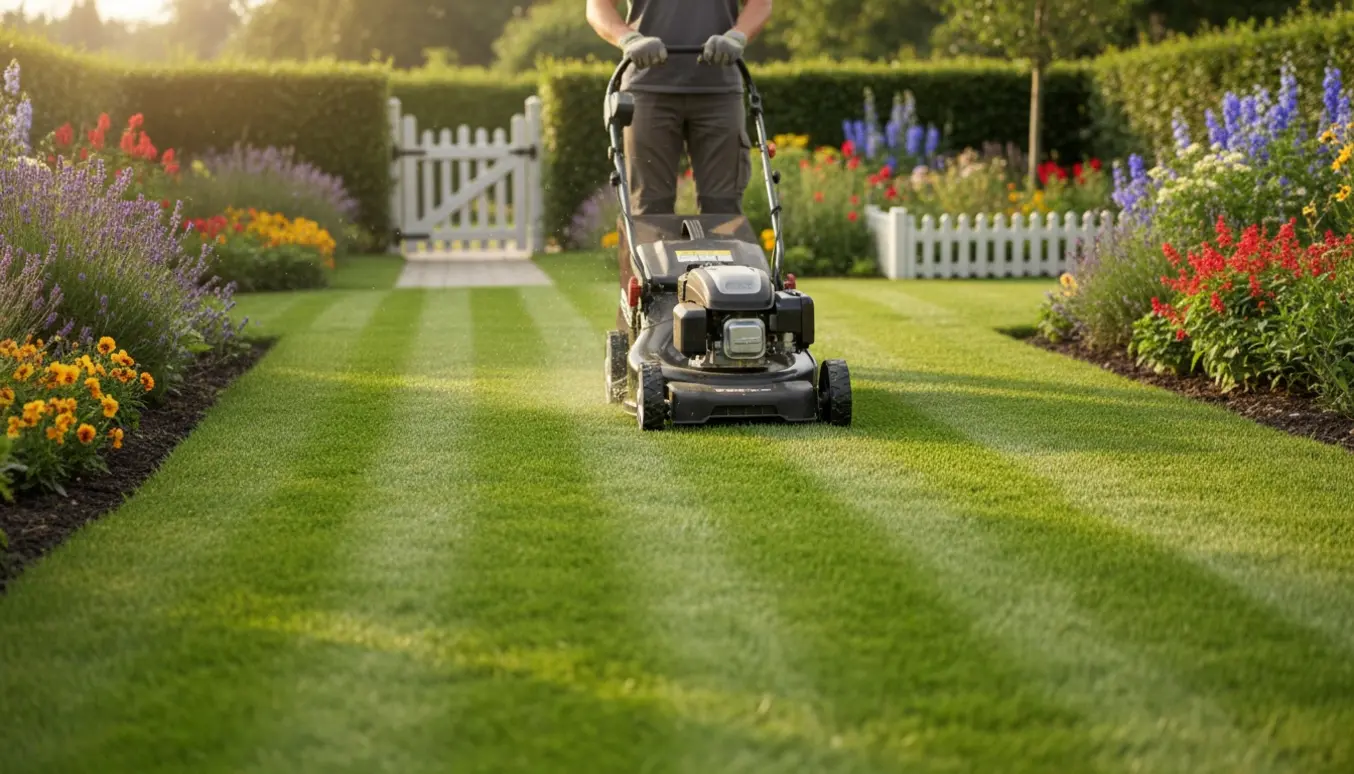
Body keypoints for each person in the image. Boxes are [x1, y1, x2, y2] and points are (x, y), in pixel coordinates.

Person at [586, 0, 773, 217]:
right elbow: (598, 6)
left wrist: (737, 36)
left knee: (724, 208)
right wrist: (627, 38)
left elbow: (761, 4)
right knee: (649, 209)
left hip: (719, 92)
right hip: (648, 90)